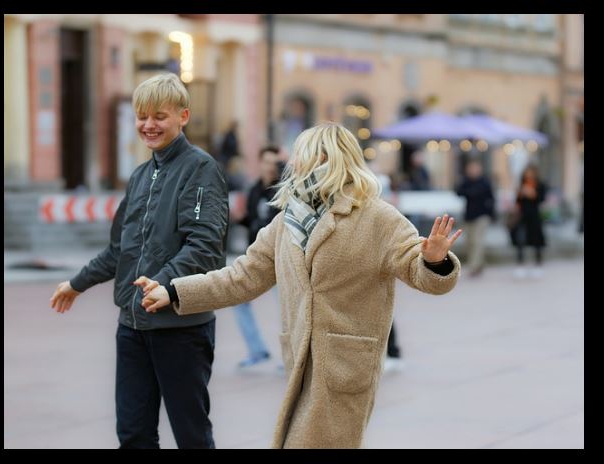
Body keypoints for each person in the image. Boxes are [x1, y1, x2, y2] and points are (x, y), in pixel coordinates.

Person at [135, 122, 462, 449]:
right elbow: (242, 277)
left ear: (322, 156)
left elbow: (421, 274)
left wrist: (434, 260)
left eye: (298, 154)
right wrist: (175, 291)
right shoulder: (287, 220)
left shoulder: (378, 218)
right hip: (300, 364)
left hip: (345, 368)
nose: (290, 162)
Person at [49, 73, 229, 449]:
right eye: (142, 116)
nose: (148, 125)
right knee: (133, 434)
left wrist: (163, 282)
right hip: (132, 327)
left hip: (180, 328)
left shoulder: (200, 169)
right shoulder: (140, 176)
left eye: (159, 116)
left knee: (191, 435)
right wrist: (76, 283)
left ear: (183, 116)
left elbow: (205, 245)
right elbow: (120, 250)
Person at [234, 146, 283, 368]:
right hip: (255, 257)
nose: (270, 166)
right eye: (267, 161)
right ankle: (257, 350)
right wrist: (239, 219)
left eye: (275, 162)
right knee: (239, 301)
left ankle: (291, 356)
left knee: (287, 306)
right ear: (260, 163)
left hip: (278, 257)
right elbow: (254, 220)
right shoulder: (254, 189)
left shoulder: (283, 189)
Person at [456, 159, 496, 277]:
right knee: (469, 242)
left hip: (482, 216)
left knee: (477, 241)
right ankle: (479, 264)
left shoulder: (485, 182)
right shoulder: (466, 181)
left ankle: (473, 266)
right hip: (469, 216)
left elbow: (491, 198)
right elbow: (459, 192)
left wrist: (492, 214)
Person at [510, 164, 547, 278]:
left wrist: (532, 193)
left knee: (537, 241)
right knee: (520, 239)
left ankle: (538, 264)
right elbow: (517, 201)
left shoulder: (540, 185)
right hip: (522, 216)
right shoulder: (521, 185)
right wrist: (520, 193)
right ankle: (520, 265)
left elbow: (541, 199)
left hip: (535, 217)